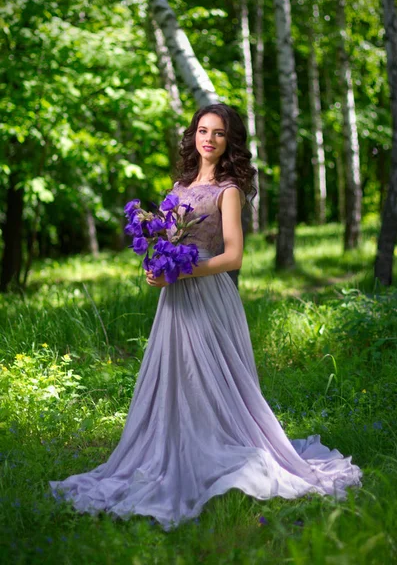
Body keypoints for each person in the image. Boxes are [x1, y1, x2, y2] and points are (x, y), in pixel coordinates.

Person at [50, 104, 362, 531]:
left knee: (214, 374)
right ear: (193, 136)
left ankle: (223, 445)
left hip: (210, 292)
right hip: (175, 297)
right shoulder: (179, 186)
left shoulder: (228, 190)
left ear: (229, 141)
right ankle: (176, 443)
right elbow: (164, 237)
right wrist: (155, 268)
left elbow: (233, 255)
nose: (208, 139)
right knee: (176, 373)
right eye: (202, 130)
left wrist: (186, 269)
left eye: (218, 133)